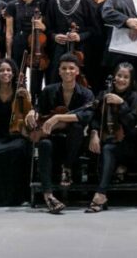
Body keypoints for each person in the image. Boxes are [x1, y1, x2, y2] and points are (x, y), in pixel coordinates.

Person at [25, 53, 94, 214]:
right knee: (43, 144)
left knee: (76, 128)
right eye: (64, 68)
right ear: (59, 71)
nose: (68, 71)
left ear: (77, 71)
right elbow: (39, 109)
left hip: (75, 143)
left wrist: (57, 117)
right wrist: (32, 112)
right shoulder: (49, 90)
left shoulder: (86, 93)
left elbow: (85, 116)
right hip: (53, 138)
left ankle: (67, 168)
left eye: (71, 68)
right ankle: (49, 195)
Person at [85, 62, 137, 213]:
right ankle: (103, 189)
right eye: (119, 75)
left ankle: (101, 194)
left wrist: (122, 104)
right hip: (107, 140)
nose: (122, 79)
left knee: (109, 149)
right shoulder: (103, 95)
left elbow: (131, 123)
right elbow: (95, 118)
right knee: (105, 148)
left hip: (129, 145)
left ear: (131, 80)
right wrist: (94, 133)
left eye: (126, 77)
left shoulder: (136, 97)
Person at [0, 58, 31, 206]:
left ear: (14, 73)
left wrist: (27, 97)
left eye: (8, 70)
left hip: (17, 132)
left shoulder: (21, 91)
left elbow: (28, 115)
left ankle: (18, 197)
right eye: (2, 70)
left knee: (19, 150)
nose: (5, 73)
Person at [46, 0, 99, 85]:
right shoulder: (53, 2)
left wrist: (80, 36)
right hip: (59, 51)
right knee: (56, 82)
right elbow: (48, 29)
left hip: (81, 51)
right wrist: (54, 36)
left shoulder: (86, 2)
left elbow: (95, 29)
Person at [4, 0, 47, 99]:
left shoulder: (42, 3)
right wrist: (9, 54)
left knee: (36, 78)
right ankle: (19, 104)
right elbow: (9, 32)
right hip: (19, 42)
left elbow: (46, 27)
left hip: (37, 43)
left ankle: (35, 101)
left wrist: (42, 26)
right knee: (18, 77)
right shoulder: (11, 5)